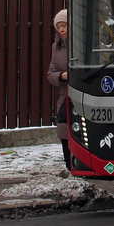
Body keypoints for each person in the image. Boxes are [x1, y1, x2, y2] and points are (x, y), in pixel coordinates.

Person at [47, 9, 70, 170]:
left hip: (81, 92)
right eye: (59, 27)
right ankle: (69, 164)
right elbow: (51, 72)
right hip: (65, 94)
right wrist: (62, 76)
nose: (62, 30)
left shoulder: (81, 44)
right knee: (63, 130)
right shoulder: (57, 47)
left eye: (65, 26)